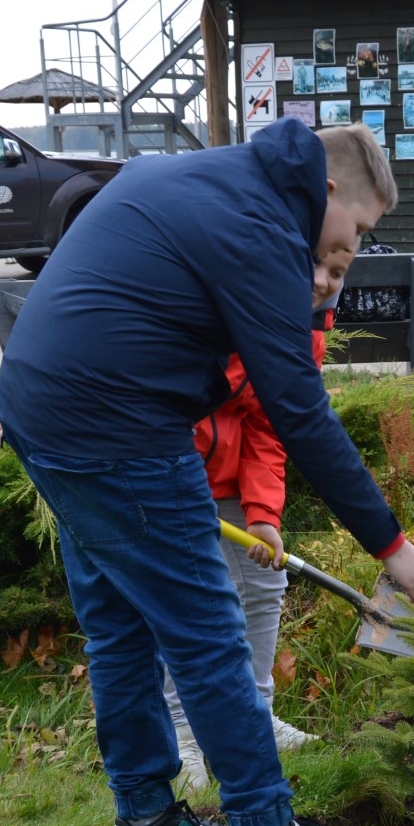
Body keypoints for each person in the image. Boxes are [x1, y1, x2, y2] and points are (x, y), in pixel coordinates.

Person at [0, 118, 414, 826]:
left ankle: (146, 814)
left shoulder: (199, 177)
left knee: (119, 625)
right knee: (206, 630)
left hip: (40, 414)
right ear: (328, 188)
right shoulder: (263, 224)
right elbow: (297, 408)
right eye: (358, 229)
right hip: (119, 429)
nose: (352, 248)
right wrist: (390, 546)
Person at [164, 292, 341, 794]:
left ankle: (256, 717)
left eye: (338, 270)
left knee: (266, 580)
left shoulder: (306, 329)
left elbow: (269, 421)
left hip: (231, 477)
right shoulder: (216, 296)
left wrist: (263, 512)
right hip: (166, 465)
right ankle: (181, 731)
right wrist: (179, 482)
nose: (326, 280)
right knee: (186, 598)